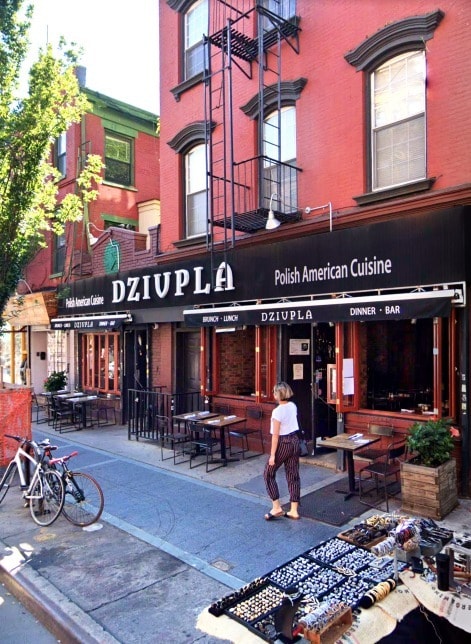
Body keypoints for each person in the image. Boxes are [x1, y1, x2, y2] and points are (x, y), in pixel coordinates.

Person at [263, 381, 301, 521]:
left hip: (283, 443)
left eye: (274, 392)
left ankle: (276, 507)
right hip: (295, 441)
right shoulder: (293, 406)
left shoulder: (277, 411)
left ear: (277, 394)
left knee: (268, 473)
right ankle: (294, 510)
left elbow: (275, 435)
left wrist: (272, 455)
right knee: (293, 475)